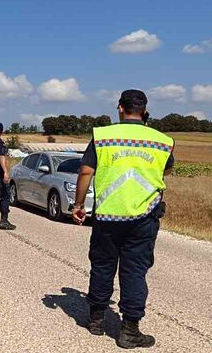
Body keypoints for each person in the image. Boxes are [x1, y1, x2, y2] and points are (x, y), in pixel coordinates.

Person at [72, 89, 174, 349]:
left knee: (103, 265)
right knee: (135, 271)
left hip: (107, 216)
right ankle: (129, 330)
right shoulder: (162, 140)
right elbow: (167, 169)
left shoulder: (103, 136)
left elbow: (86, 171)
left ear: (120, 108)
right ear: (145, 111)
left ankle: (96, 319)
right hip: (144, 216)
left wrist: (79, 204)